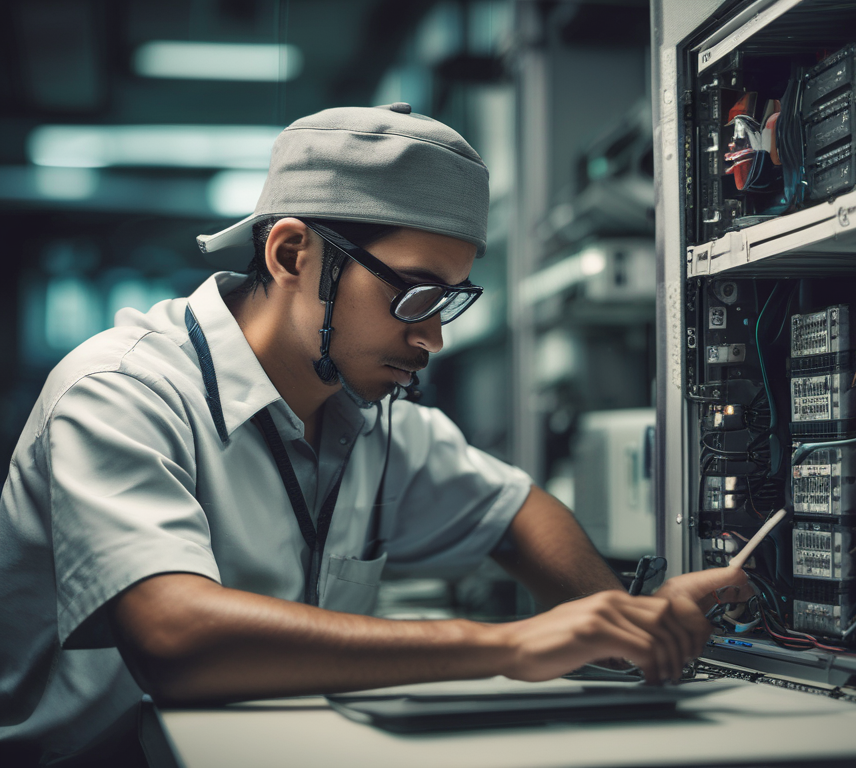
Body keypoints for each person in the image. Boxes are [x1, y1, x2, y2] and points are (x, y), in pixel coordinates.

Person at [0, 104, 748, 765]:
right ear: (292, 254)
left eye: (448, 300)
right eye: (414, 294)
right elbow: (175, 640)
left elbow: (518, 513)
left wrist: (623, 625)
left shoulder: (368, 417)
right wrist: (510, 645)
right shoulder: (122, 392)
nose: (431, 336)